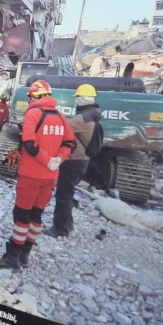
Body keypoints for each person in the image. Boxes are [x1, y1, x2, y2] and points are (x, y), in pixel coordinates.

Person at [0, 80, 75, 270]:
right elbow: (70, 144)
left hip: (31, 174)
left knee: (21, 214)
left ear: (34, 97)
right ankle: (25, 255)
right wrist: (57, 160)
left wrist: (46, 160)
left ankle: (12, 256)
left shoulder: (33, 115)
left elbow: (29, 143)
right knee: (37, 215)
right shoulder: (61, 117)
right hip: (50, 176)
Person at [45, 84, 101, 237]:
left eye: (77, 98)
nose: (75, 101)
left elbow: (62, 131)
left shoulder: (81, 118)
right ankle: (68, 226)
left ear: (81, 99)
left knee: (63, 195)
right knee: (67, 194)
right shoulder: (93, 114)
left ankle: (60, 229)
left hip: (73, 161)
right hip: (82, 161)